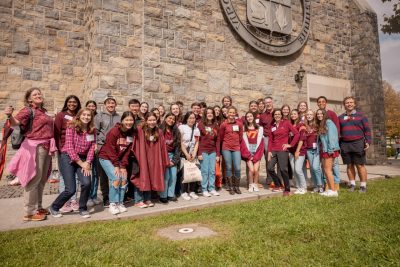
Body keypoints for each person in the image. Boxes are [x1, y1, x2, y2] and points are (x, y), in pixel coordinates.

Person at [6, 88, 56, 221]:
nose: (38, 95)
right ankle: (29, 212)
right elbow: (15, 123)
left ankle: (38, 207)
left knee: (42, 179)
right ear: (29, 99)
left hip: (45, 147)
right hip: (35, 147)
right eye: (35, 94)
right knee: (33, 178)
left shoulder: (43, 111)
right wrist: (9, 116)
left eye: (39, 93)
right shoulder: (27, 110)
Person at [49, 108, 96, 219]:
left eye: (88, 115)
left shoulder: (92, 130)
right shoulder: (71, 126)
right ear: (79, 116)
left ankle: (83, 208)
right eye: (84, 114)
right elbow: (69, 148)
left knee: (87, 183)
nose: (86, 117)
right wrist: (82, 164)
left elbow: (92, 147)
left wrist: (88, 162)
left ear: (91, 117)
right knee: (71, 189)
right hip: (67, 157)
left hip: (84, 159)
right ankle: (54, 207)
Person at [98, 111, 135, 214]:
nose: (129, 122)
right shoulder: (114, 131)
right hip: (106, 157)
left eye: (131, 120)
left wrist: (123, 166)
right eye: (126, 120)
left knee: (124, 178)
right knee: (116, 178)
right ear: (122, 120)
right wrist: (116, 165)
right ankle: (112, 203)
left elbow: (127, 151)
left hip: (118, 159)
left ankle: (120, 202)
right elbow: (110, 149)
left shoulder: (131, 133)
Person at [132, 112, 169, 207]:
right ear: (146, 120)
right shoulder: (140, 130)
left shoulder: (158, 131)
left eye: (154, 120)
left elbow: (163, 147)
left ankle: (147, 199)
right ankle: (138, 200)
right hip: (142, 158)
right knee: (142, 177)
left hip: (154, 159)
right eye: (150, 120)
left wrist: (165, 160)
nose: (152, 122)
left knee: (150, 177)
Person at [54, 95, 81, 212]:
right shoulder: (61, 115)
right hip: (64, 150)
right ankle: (65, 202)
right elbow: (56, 133)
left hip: (77, 150)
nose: (72, 104)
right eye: (70, 102)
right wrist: (59, 149)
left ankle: (73, 200)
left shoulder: (79, 116)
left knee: (75, 176)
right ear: (66, 103)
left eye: (74, 102)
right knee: (65, 176)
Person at [338, 96, 371, 193]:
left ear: (354, 104)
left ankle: (363, 186)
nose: (349, 104)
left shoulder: (362, 116)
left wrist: (368, 142)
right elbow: (338, 132)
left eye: (351, 102)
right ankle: (352, 184)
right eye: (347, 103)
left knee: (360, 165)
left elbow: (367, 131)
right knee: (349, 165)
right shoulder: (340, 118)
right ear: (344, 105)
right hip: (345, 144)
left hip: (358, 143)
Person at [95, 95, 121, 207]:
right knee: (103, 175)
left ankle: (114, 196)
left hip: (114, 149)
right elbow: (95, 132)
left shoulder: (119, 117)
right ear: (105, 105)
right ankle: (105, 196)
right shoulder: (99, 116)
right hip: (102, 147)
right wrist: (95, 144)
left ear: (115, 104)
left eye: (112, 103)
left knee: (114, 173)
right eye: (109, 103)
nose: (111, 105)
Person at [267, 109, 299, 196]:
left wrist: (290, 145)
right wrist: (269, 151)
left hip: (282, 150)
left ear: (281, 115)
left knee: (283, 169)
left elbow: (296, 134)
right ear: (273, 116)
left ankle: (287, 189)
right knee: (269, 168)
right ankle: (278, 184)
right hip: (274, 149)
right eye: (275, 114)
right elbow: (270, 139)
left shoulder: (286, 123)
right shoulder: (272, 125)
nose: (277, 115)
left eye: (278, 114)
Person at [317, 96, 340, 190]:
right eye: (319, 102)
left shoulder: (330, 117)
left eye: (323, 101)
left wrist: (333, 147)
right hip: (324, 147)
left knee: (332, 167)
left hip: (330, 148)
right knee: (326, 168)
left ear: (326, 102)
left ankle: (335, 185)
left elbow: (335, 131)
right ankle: (328, 186)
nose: (321, 103)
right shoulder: (320, 121)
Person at [219, 106, 243, 195]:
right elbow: (221, 137)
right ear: (227, 113)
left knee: (237, 167)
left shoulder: (239, 124)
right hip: (226, 148)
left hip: (236, 148)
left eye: (233, 112)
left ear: (235, 113)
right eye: (230, 112)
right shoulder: (223, 124)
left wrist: (236, 143)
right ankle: (230, 187)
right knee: (228, 167)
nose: (232, 114)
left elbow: (240, 136)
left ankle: (236, 186)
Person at [197, 107, 221, 197]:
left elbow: (218, 141)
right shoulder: (200, 124)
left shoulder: (216, 125)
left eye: (211, 113)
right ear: (205, 115)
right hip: (203, 150)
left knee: (212, 171)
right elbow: (198, 140)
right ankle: (204, 189)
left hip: (213, 151)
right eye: (208, 113)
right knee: (204, 171)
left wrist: (218, 154)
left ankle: (211, 188)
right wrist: (199, 153)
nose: (210, 114)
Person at [179, 112, 201, 200]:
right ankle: (184, 192)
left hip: (192, 154)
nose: (192, 120)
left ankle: (192, 191)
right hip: (184, 153)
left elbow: (197, 142)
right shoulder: (182, 127)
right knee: (185, 173)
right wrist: (186, 154)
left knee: (193, 172)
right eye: (190, 118)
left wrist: (194, 153)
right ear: (186, 119)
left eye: (193, 118)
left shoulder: (196, 130)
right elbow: (180, 142)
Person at [159, 113, 181, 203]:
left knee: (173, 176)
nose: (171, 120)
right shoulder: (160, 130)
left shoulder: (176, 131)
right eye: (169, 118)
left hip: (172, 156)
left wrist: (174, 160)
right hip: (163, 156)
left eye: (173, 119)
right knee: (166, 176)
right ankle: (163, 195)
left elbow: (178, 147)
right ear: (165, 118)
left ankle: (170, 195)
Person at [240, 112, 264, 192]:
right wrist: (248, 155)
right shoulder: (244, 128)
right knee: (251, 169)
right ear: (246, 119)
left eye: (251, 116)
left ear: (253, 117)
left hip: (257, 150)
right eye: (247, 117)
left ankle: (255, 184)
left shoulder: (259, 128)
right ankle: (250, 185)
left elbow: (261, 142)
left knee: (256, 170)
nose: (249, 118)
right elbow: (243, 143)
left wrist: (257, 155)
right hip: (248, 151)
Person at [85, 100, 101, 206]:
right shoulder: (84, 116)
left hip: (96, 149)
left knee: (96, 174)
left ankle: (94, 195)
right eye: (89, 106)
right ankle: (87, 197)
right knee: (87, 174)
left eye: (93, 106)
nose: (91, 107)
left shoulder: (98, 117)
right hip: (85, 149)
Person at [304, 110, 323, 193]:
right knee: (312, 168)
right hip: (308, 150)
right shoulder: (304, 126)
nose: (309, 116)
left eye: (311, 114)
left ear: (314, 115)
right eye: (307, 114)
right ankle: (315, 186)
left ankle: (321, 185)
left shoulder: (317, 125)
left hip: (316, 149)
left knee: (316, 167)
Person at [288, 109, 307, 194]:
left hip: (300, 151)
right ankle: (299, 187)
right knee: (294, 169)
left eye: (295, 114)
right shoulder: (291, 125)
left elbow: (302, 139)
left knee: (298, 169)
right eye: (292, 114)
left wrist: (297, 151)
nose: (293, 115)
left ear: (298, 115)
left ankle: (304, 187)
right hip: (291, 151)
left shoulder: (301, 125)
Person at [259, 96, 274, 186]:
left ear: (272, 103)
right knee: (268, 158)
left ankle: (279, 178)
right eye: (266, 103)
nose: (268, 104)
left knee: (278, 158)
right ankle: (269, 178)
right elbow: (261, 128)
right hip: (266, 138)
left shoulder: (277, 112)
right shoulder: (262, 116)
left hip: (277, 138)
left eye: (269, 102)